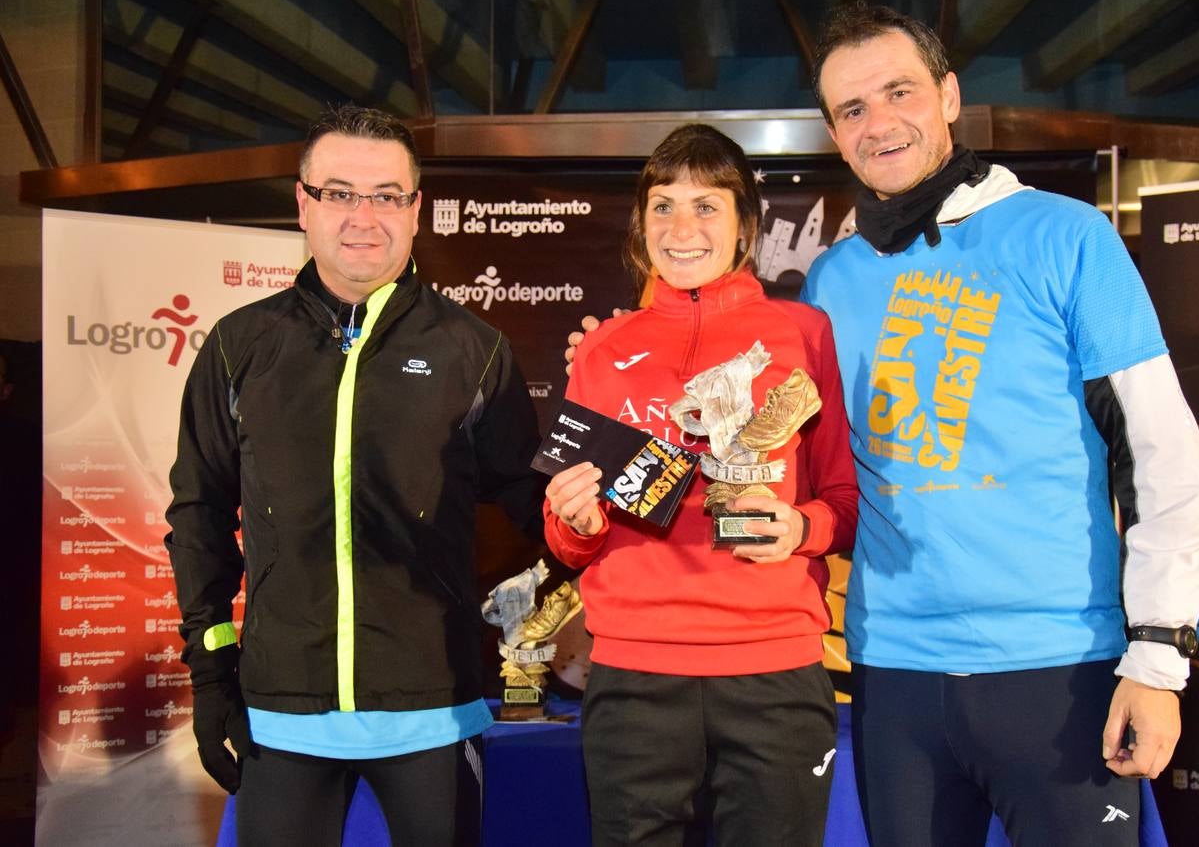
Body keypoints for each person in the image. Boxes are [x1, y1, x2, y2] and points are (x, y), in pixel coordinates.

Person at [802, 0, 1199, 845]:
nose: (879, 123)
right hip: (894, 678)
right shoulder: (832, 278)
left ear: (949, 96)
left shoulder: (1067, 236)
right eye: (852, 109)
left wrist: (1158, 659)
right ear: (836, 134)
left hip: (1058, 671)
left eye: (898, 92)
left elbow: (1161, 453)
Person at [165, 104, 544, 845]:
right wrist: (211, 676)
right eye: (339, 193)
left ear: (415, 210)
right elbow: (199, 517)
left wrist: (599, 568)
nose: (362, 216)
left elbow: (535, 504)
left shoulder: (478, 351)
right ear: (302, 205)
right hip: (283, 712)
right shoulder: (240, 346)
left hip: (434, 711)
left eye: (386, 195)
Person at [544, 123, 858, 846]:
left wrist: (798, 529)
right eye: (663, 206)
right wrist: (574, 524)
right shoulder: (601, 349)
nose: (682, 228)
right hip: (633, 680)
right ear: (640, 223)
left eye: (707, 206)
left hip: (774, 677)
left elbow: (845, 501)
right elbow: (567, 539)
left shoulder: (803, 334)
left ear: (746, 224)